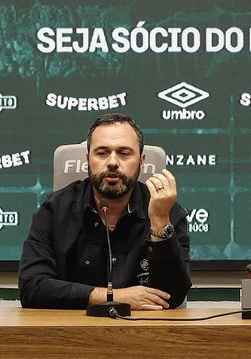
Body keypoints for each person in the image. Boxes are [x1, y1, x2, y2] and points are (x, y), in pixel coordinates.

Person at [19, 113, 191, 310]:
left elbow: (172, 297)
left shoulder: (167, 212)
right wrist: (113, 297)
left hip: (143, 334)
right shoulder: (54, 210)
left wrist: (160, 222)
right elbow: (31, 287)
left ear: (142, 161)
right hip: (71, 334)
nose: (112, 162)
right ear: (88, 159)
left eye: (124, 153)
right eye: (102, 153)